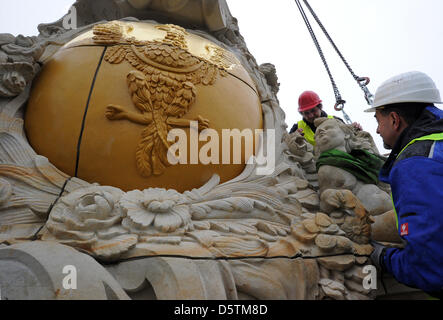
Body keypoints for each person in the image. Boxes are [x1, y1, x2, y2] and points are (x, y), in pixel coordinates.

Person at [368, 71, 443, 298]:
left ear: (394, 119)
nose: (377, 130)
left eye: (378, 121)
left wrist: (383, 257)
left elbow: (431, 269)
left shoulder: (415, 164)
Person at [289, 91, 362, 146]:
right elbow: (286, 146)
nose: (311, 115)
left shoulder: (335, 120)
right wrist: (294, 138)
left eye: (313, 111)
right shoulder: (297, 128)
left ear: (320, 107)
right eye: (306, 113)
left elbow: (351, 139)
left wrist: (356, 130)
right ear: (302, 114)